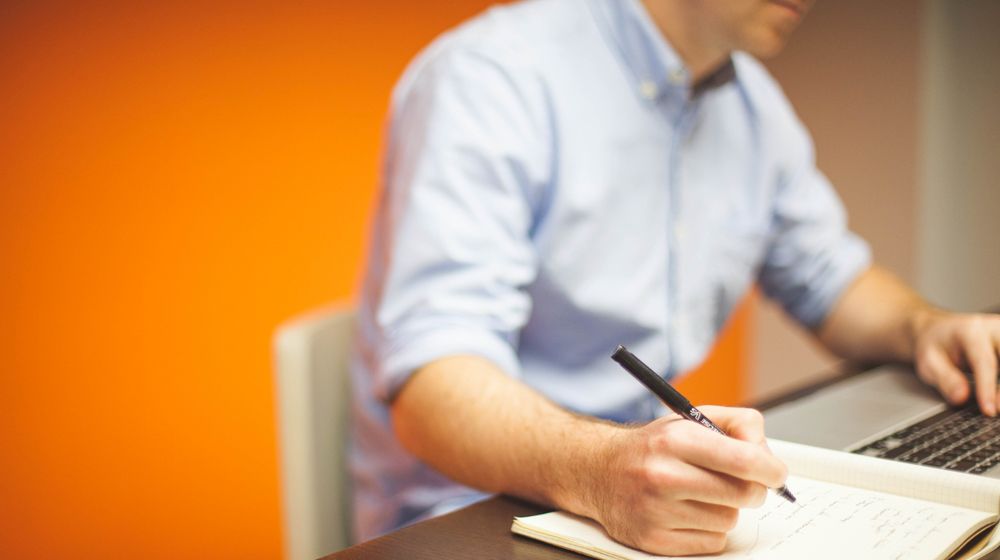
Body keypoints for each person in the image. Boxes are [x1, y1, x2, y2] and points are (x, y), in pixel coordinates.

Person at [348, 0, 1000, 554]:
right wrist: (598, 471)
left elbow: (829, 278)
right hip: (477, 516)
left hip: (635, 495)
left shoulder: (751, 106)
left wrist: (925, 327)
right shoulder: (491, 78)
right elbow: (432, 389)